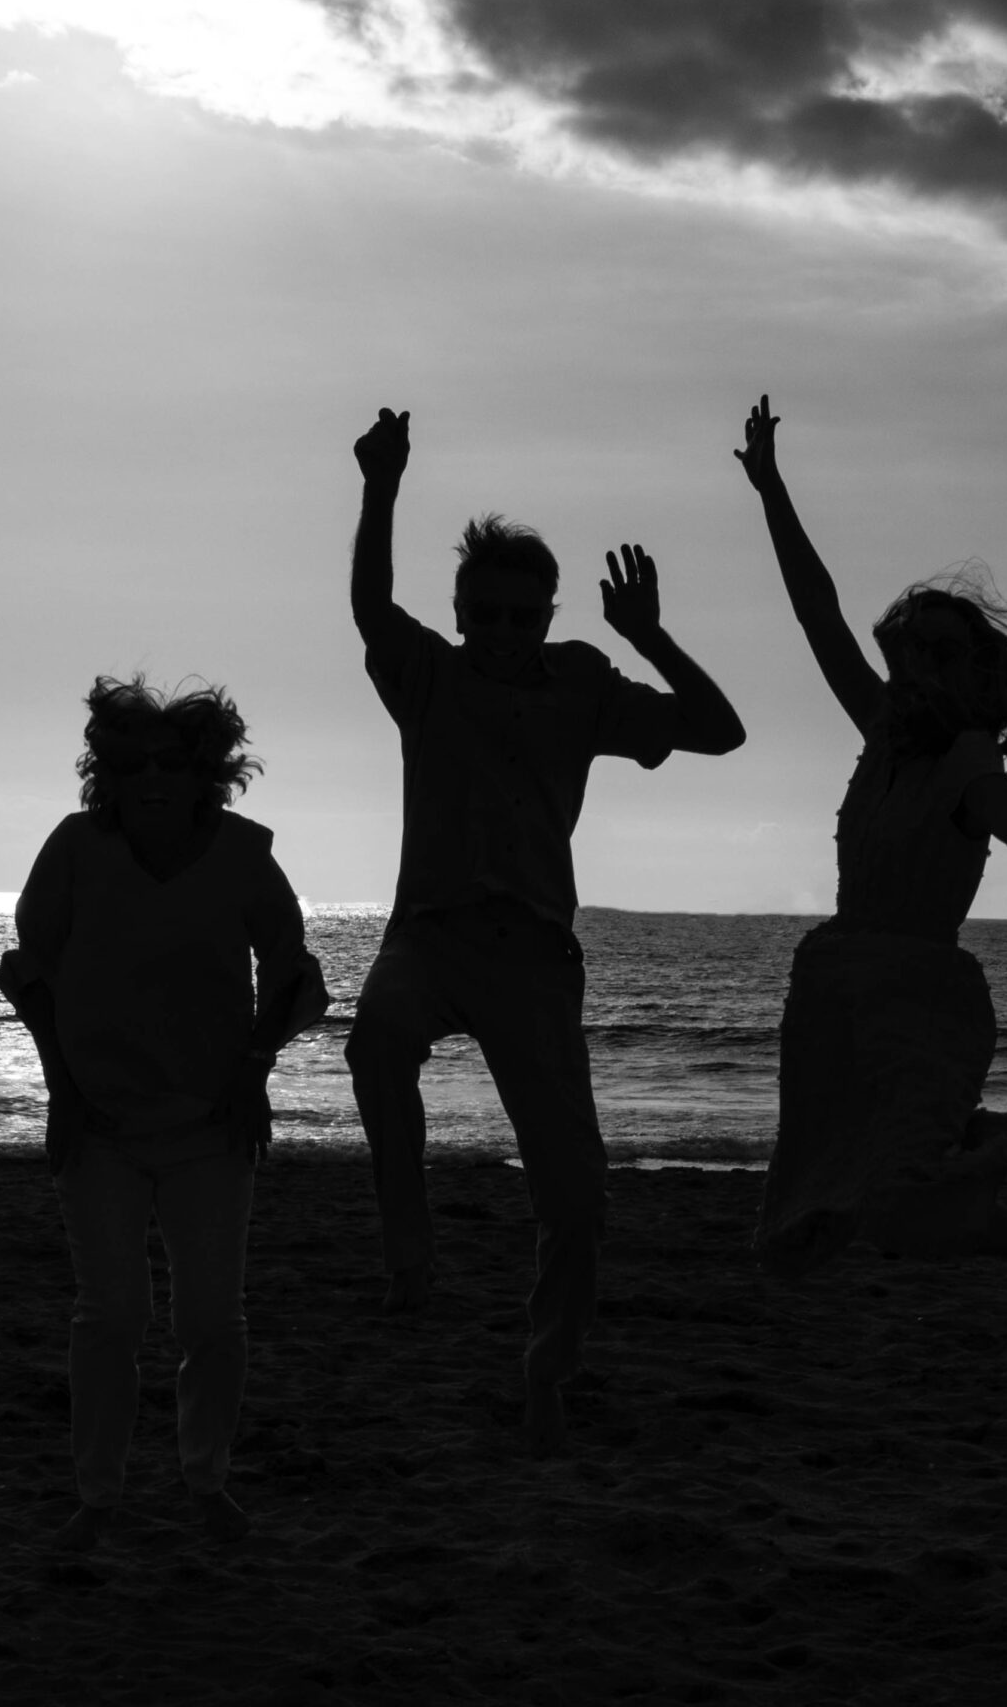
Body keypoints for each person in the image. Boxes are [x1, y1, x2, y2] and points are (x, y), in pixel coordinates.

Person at [734, 395, 1007, 1352]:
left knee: (898, 1204)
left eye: (945, 653)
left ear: (977, 672)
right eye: (910, 650)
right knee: (831, 1193)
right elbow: (815, 612)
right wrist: (772, 491)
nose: (920, 668)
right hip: (835, 991)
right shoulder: (883, 730)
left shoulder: (969, 757)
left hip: (920, 995)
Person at [344, 406, 747, 1454]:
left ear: (548, 613)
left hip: (530, 954)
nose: (507, 632)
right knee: (376, 1033)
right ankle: (406, 1244)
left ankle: (547, 1370)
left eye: (526, 615)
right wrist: (381, 484)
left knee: (576, 1197)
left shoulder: (580, 685)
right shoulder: (429, 676)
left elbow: (719, 731)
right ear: (463, 612)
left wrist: (648, 635)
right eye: (489, 613)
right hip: (428, 934)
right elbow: (367, 607)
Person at [0, 677, 328, 1551]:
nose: (152, 778)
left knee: (212, 1320)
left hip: (211, 1126)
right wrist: (60, 1093)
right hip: (97, 1122)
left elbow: (295, 978)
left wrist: (255, 1068)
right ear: (106, 768)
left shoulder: (245, 856)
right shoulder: (74, 848)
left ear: (205, 771)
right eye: (132, 762)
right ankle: (97, 1497)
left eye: (171, 763)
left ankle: (205, 1479)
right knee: (109, 1316)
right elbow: (32, 975)